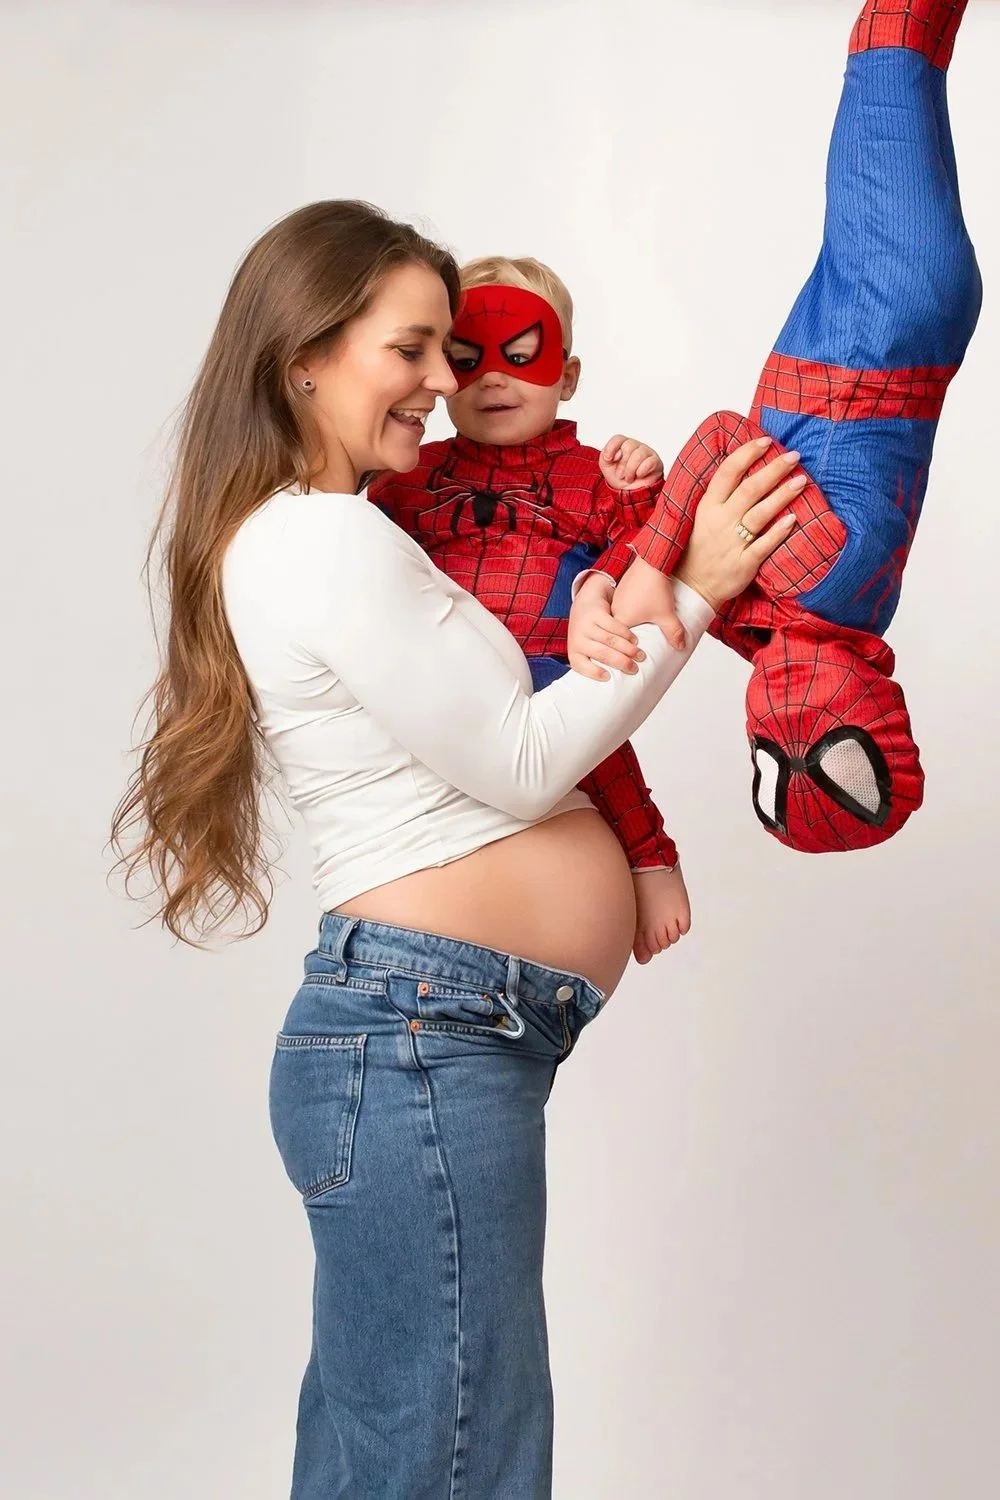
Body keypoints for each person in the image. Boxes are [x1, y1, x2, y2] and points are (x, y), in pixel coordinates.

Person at [112, 199, 800, 1497]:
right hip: (419, 1041)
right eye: (415, 350)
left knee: (409, 1453)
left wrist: (639, 565)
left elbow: (544, 670)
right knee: (456, 1459)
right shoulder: (319, 542)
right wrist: (697, 590)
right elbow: (526, 758)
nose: (448, 380)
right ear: (302, 355)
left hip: (423, 1039)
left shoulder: (341, 533)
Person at [609, 0, 982, 854]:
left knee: (912, 43)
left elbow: (711, 508)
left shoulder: (825, 620)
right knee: (890, 35)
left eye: (777, 763)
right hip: (883, 309)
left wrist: (640, 509)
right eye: (831, 754)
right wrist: (647, 565)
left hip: (896, 319)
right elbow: (717, 437)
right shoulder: (815, 584)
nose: (786, 732)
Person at [370, 255, 691, 965]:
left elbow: (648, 544)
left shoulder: (592, 471)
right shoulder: (412, 478)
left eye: (521, 357)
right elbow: (369, 560)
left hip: (551, 666)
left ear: (566, 377)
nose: (493, 377)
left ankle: (649, 855)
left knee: (594, 731)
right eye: (467, 358)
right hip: (451, 672)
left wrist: (603, 570)